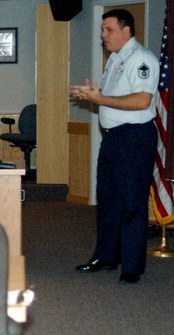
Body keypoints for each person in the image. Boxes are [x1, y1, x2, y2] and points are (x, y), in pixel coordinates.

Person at [69, 9, 159, 284]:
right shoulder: (117, 60)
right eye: (102, 30)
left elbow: (142, 101)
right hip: (113, 140)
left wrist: (100, 100)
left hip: (134, 138)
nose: (103, 35)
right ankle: (106, 256)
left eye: (108, 30)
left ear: (126, 31)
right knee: (108, 201)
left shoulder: (142, 59)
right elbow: (112, 97)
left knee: (132, 203)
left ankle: (132, 267)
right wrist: (92, 96)